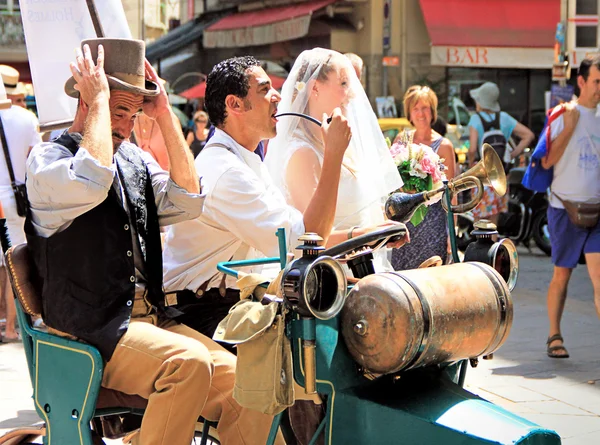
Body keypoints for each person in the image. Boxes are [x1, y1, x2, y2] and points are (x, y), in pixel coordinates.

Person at [25, 38, 280, 445]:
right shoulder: (47, 162)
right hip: (90, 330)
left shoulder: (134, 158)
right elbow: (91, 178)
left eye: (133, 113)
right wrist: (99, 100)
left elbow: (189, 200)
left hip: (147, 321)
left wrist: (162, 115)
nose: (127, 126)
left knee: (251, 388)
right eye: (118, 112)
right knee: (189, 363)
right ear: (86, 104)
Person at [162, 55, 356, 339]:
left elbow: (294, 236)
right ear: (234, 104)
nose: (277, 96)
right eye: (265, 90)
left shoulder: (244, 161)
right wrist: (333, 155)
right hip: (202, 312)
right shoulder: (227, 171)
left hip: (233, 302)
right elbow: (308, 239)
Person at [265, 48, 404, 260]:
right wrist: (364, 236)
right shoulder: (301, 153)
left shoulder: (337, 142)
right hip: (330, 276)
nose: (352, 93)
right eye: (343, 84)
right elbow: (309, 237)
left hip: (360, 264)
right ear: (314, 88)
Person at [541, 54, 600, 359]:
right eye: (597, 81)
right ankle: (554, 334)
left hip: (598, 211)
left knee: (599, 276)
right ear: (581, 81)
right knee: (561, 275)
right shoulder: (562, 116)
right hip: (564, 208)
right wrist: (570, 126)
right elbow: (546, 161)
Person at [391, 85, 456, 270]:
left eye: (425, 108)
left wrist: (451, 233)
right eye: (416, 109)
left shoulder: (444, 146)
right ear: (409, 114)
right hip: (406, 222)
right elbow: (392, 185)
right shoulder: (401, 141)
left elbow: (451, 193)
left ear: (433, 112)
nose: (421, 113)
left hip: (433, 223)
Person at [0, 66, 41, 343]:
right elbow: (34, 159)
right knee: (13, 263)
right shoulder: (27, 119)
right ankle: (13, 327)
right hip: (13, 200)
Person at [467, 81, 534, 226]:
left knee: (480, 221)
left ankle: (482, 248)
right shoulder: (504, 117)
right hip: (500, 176)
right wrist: (513, 154)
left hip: (481, 176)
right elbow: (528, 135)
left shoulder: (475, 119)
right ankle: (494, 248)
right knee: (494, 222)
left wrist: (469, 164)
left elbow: (472, 149)